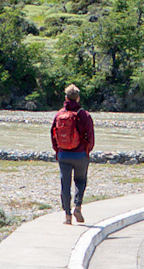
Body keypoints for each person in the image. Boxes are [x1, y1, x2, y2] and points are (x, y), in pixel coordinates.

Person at [50, 83, 95, 224]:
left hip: (63, 154)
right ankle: (78, 206)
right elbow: (91, 137)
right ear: (78, 98)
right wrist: (87, 150)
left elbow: (52, 134)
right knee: (80, 181)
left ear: (65, 97)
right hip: (80, 154)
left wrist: (58, 151)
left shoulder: (59, 114)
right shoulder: (84, 115)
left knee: (65, 184)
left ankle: (67, 216)